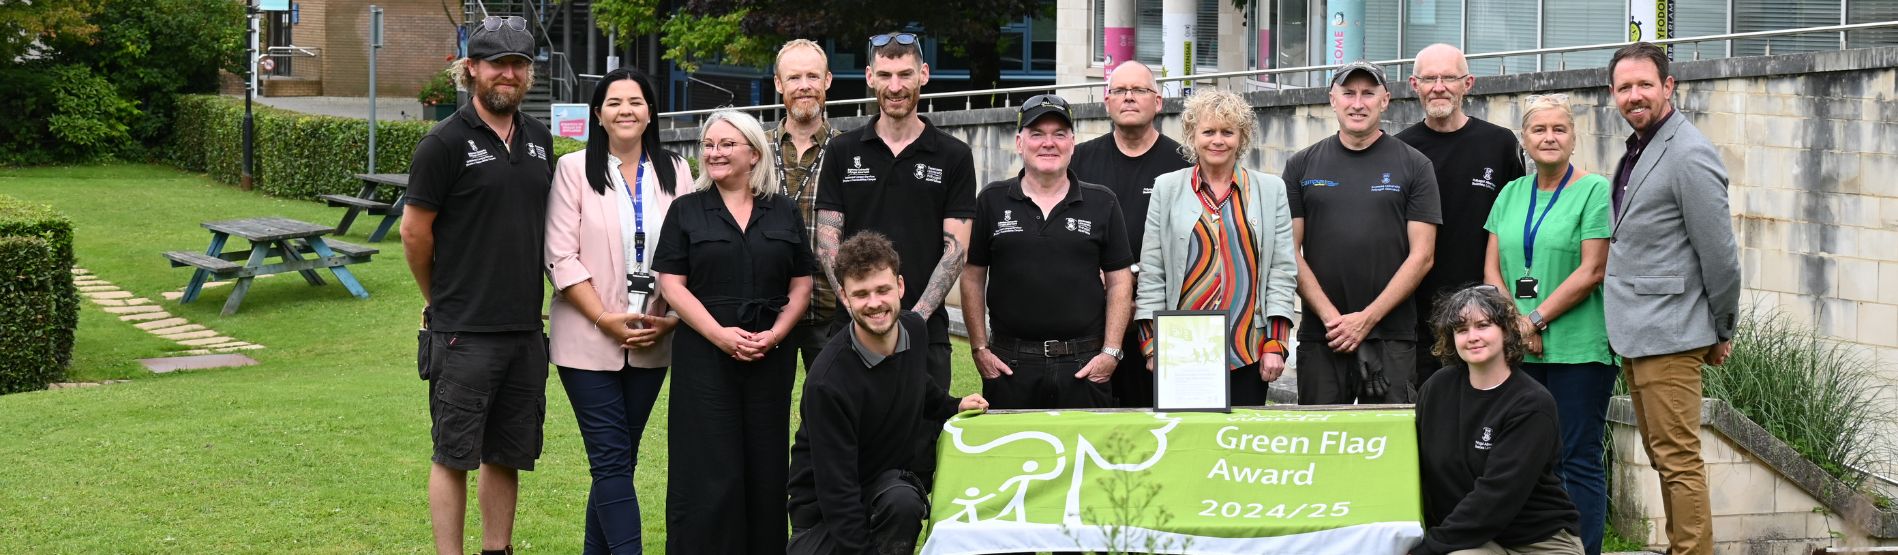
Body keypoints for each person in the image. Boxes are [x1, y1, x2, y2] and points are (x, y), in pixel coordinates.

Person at [401, 16, 554, 555]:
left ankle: (498, 549)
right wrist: (437, 298)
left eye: (519, 65)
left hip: (524, 330)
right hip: (464, 330)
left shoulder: (539, 139)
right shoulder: (443, 143)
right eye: (497, 64)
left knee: (506, 453)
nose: (508, 74)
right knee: (453, 453)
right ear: (473, 70)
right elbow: (415, 233)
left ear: (529, 74)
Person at [544, 66, 691, 555]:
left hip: (654, 337)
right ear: (598, 114)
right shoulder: (572, 170)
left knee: (619, 463)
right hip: (587, 339)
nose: (625, 110)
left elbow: (689, 253)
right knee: (609, 460)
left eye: (635, 102)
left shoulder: (678, 171)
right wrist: (604, 318)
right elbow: (560, 256)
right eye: (614, 103)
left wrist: (671, 318)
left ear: (651, 112)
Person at [653, 110, 814, 554]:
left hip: (769, 357)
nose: (714, 153)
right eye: (708, 145)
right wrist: (719, 334)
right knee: (708, 469)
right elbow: (671, 284)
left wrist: (779, 332)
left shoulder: (782, 209)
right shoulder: (686, 210)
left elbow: (802, 282)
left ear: (753, 152)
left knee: (765, 468)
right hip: (705, 359)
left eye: (726, 144)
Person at [1603, 42, 1740, 555]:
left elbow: (1720, 256)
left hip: (1672, 331)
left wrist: (1721, 328)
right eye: (1624, 87)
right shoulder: (1640, 146)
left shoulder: (1689, 152)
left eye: (1644, 84)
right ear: (1612, 94)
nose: (1634, 95)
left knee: (1678, 460)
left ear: (1669, 86)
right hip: (1640, 330)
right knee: (1665, 458)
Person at [787, 232, 990, 555]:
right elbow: (838, 496)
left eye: (882, 290)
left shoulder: (914, 330)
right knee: (889, 503)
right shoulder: (827, 382)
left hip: (884, 495)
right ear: (845, 296)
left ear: (900, 286)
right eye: (861, 293)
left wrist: (952, 405)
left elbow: (916, 383)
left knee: (903, 500)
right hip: (822, 521)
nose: (875, 303)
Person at [1480, 94, 1616, 555]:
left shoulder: (1594, 190)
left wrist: (1535, 318)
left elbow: (1592, 270)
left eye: (1559, 129)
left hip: (1579, 349)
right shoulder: (1510, 193)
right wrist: (1518, 324)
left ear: (1574, 138)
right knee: (1530, 459)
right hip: (1520, 349)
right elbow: (1492, 272)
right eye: (1539, 130)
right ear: (1525, 140)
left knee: (1577, 458)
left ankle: (1584, 549)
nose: (1549, 137)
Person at [815, 32, 977, 391]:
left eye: (905, 74)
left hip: (925, 334)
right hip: (852, 330)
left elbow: (956, 251)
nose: (896, 86)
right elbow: (827, 242)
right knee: (851, 440)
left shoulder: (954, 156)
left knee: (922, 441)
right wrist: (859, 308)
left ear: (924, 74)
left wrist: (913, 320)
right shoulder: (842, 151)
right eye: (885, 75)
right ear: (870, 77)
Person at [962, 94, 1134, 410]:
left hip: (1083, 366)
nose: (1048, 143)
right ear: (1018, 142)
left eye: (1059, 134)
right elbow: (972, 277)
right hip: (1010, 365)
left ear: (1072, 141)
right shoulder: (992, 200)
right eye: (1037, 134)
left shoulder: (1102, 203)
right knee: (1015, 456)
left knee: (1086, 458)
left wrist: (1110, 353)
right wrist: (979, 349)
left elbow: (1120, 283)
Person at [1284, 60, 1441, 405]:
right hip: (1324, 335)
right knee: (1320, 447)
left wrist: (1366, 320)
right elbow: (1289, 252)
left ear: (1385, 100)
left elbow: (1423, 255)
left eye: (1368, 93)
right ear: (1332, 99)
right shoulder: (1301, 165)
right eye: (1349, 93)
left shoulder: (1415, 165)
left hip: (1391, 335)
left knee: (1387, 448)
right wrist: (1334, 320)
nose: (1358, 103)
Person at [1134, 88, 1297, 406]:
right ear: (1192, 136)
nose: (1217, 140)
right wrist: (1152, 344)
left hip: (1248, 347)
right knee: (1186, 446)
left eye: (1227, 132)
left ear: (1242, 137)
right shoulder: (1167, 188)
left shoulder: (1270, 190)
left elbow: (1281, 271)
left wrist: (1276, 343)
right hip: (1181, 350)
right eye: (1208, 131)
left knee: (1241, 447)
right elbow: (1152, 272)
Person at [1413, 285, 1584, 555]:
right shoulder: (1436, 390)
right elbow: (1416, 471)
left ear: (1506, 331)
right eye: (1461, 329)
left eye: (1483, 325)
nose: (1472, 337)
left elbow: (1497, 496)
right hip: (1472, 538)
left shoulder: (1532, 404)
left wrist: (1429, 548)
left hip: (1538, 540)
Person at [1396, 44, 1526, 386]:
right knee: (1428, 419)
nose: (1439, 86)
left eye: (1449, 77)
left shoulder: (1499, 144)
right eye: (1429, 78)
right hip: (1417, 317)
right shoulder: (1398, 150)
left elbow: (1516, 226)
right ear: (1414, 85)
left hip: (1486, 316)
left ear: (1467, 83)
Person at [1071, 61, 1192, 408]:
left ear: (1158, 102)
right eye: (1120, 91)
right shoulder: (1078, 161)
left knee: (1156, 426)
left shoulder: (1184, 163)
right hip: (1090, 321)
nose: (1128, 98)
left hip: (1161, 322)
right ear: (1106, 102)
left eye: (1139, 90)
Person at [768, 39, 845, 371]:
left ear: (827, 81)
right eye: (794, 78)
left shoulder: (851, 151)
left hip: (831, 308)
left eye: (813, 77)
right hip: (769, 309)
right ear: (778, 84)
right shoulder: (755, 150)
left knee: (832, 411)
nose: (804, 87)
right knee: (765, 416)